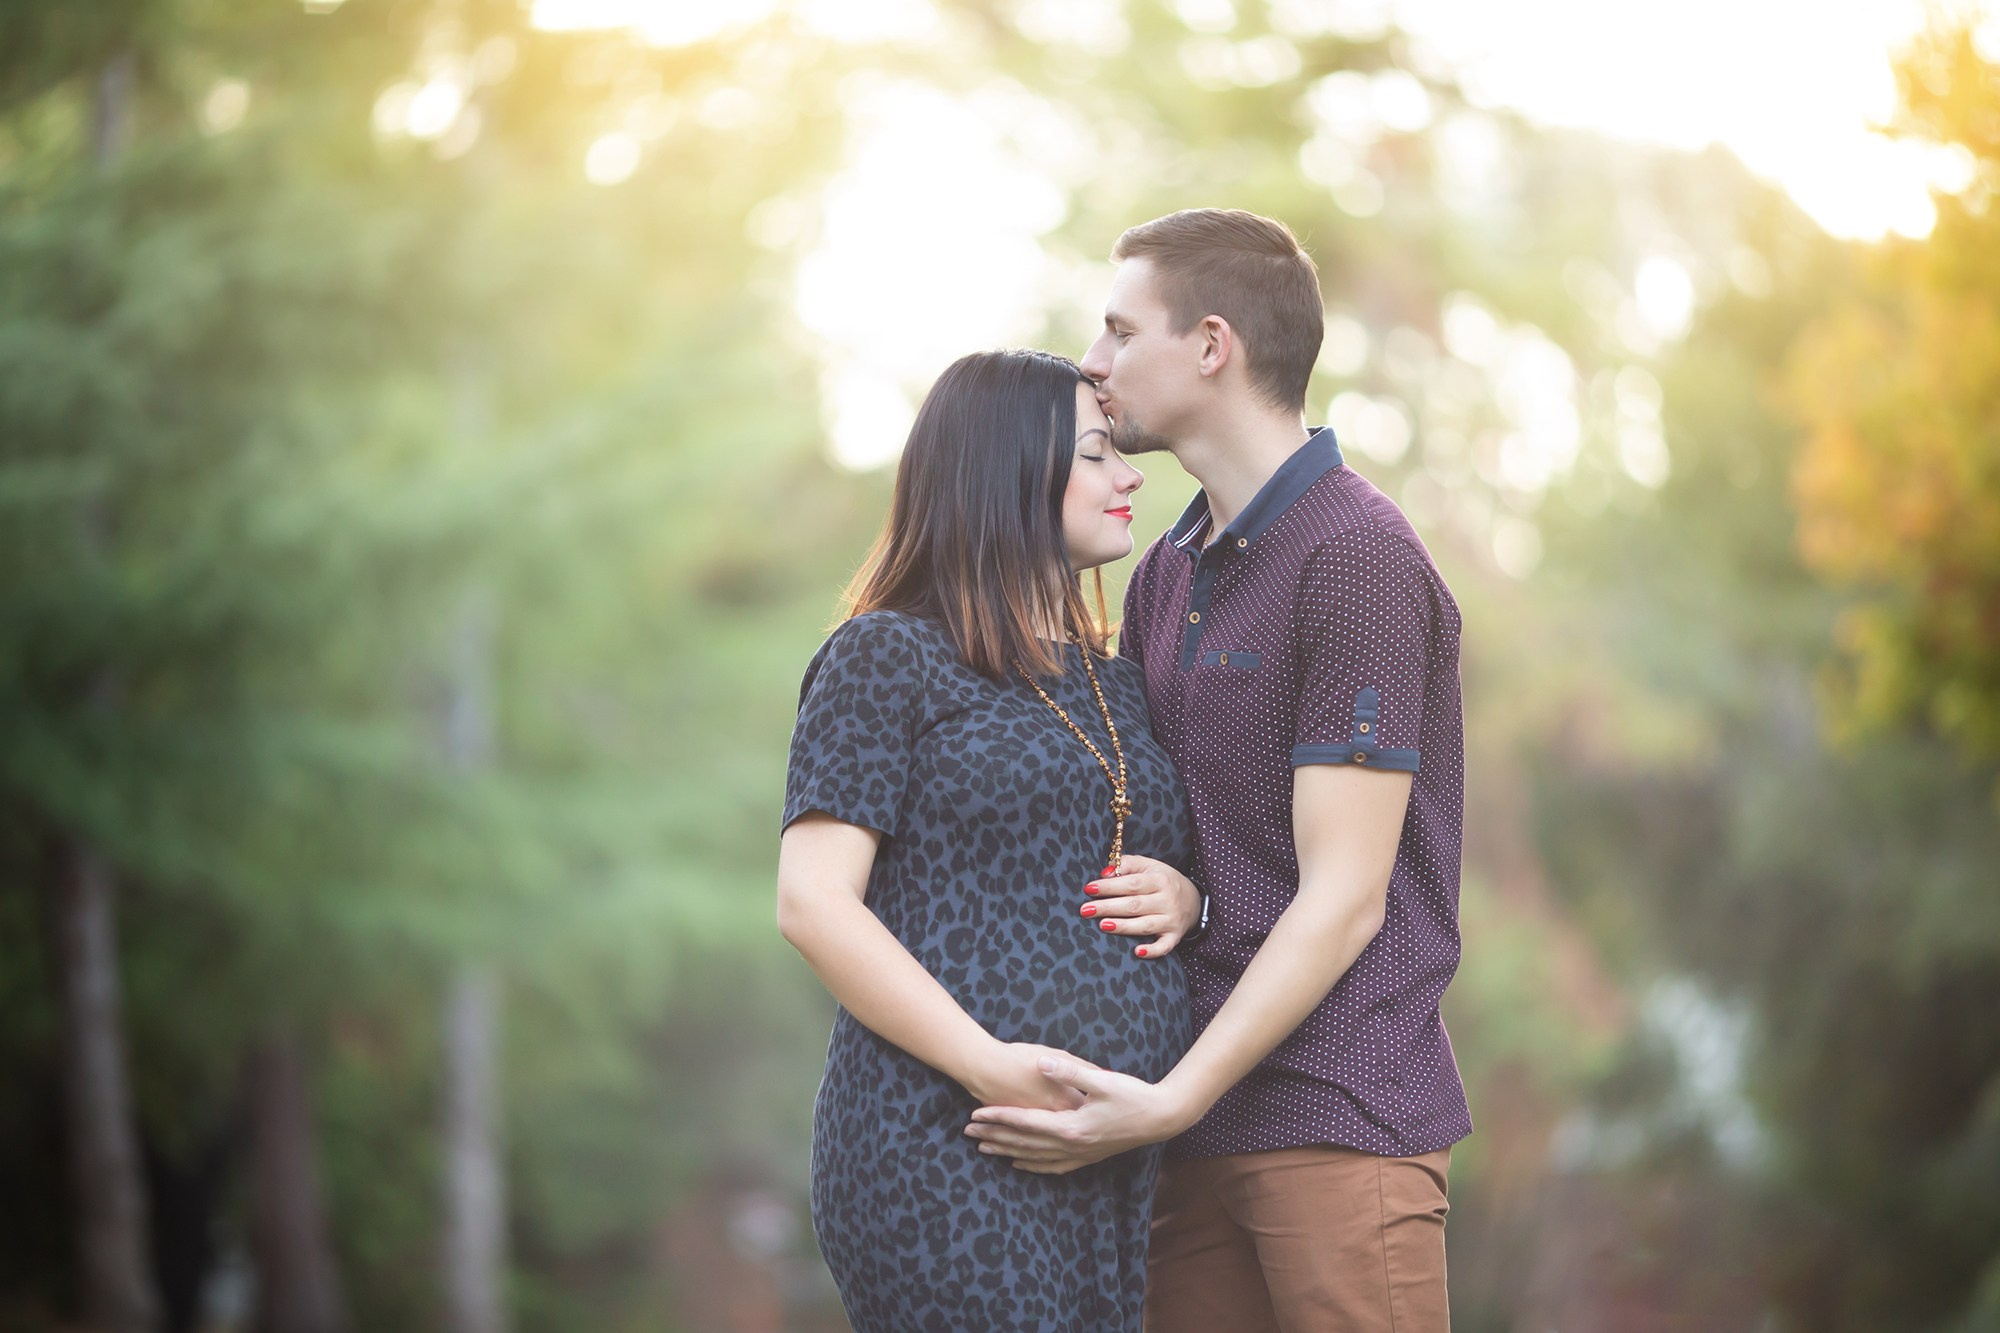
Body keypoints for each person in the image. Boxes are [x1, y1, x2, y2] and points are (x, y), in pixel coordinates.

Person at [965, 209, 1472, 1332]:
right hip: (1185, 1127)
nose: (1092, 366)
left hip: (1335, 1118)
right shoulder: (1166, 571)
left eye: (1115, 329)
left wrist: (1166, 1100)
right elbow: (1159, 827)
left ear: (1208, 345)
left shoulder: (1355, 559)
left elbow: (1342, 900)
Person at [775, 349, 1207, 1332]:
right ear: (1008, 469)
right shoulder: (887, 656)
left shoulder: (1114, 681)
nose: (1131, 475)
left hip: (1108, 1166)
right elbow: (811, 902)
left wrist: (1189, 897)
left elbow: (1135, 844)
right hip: (948, 1140)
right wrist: (985, 1064)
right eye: (1096, 454)